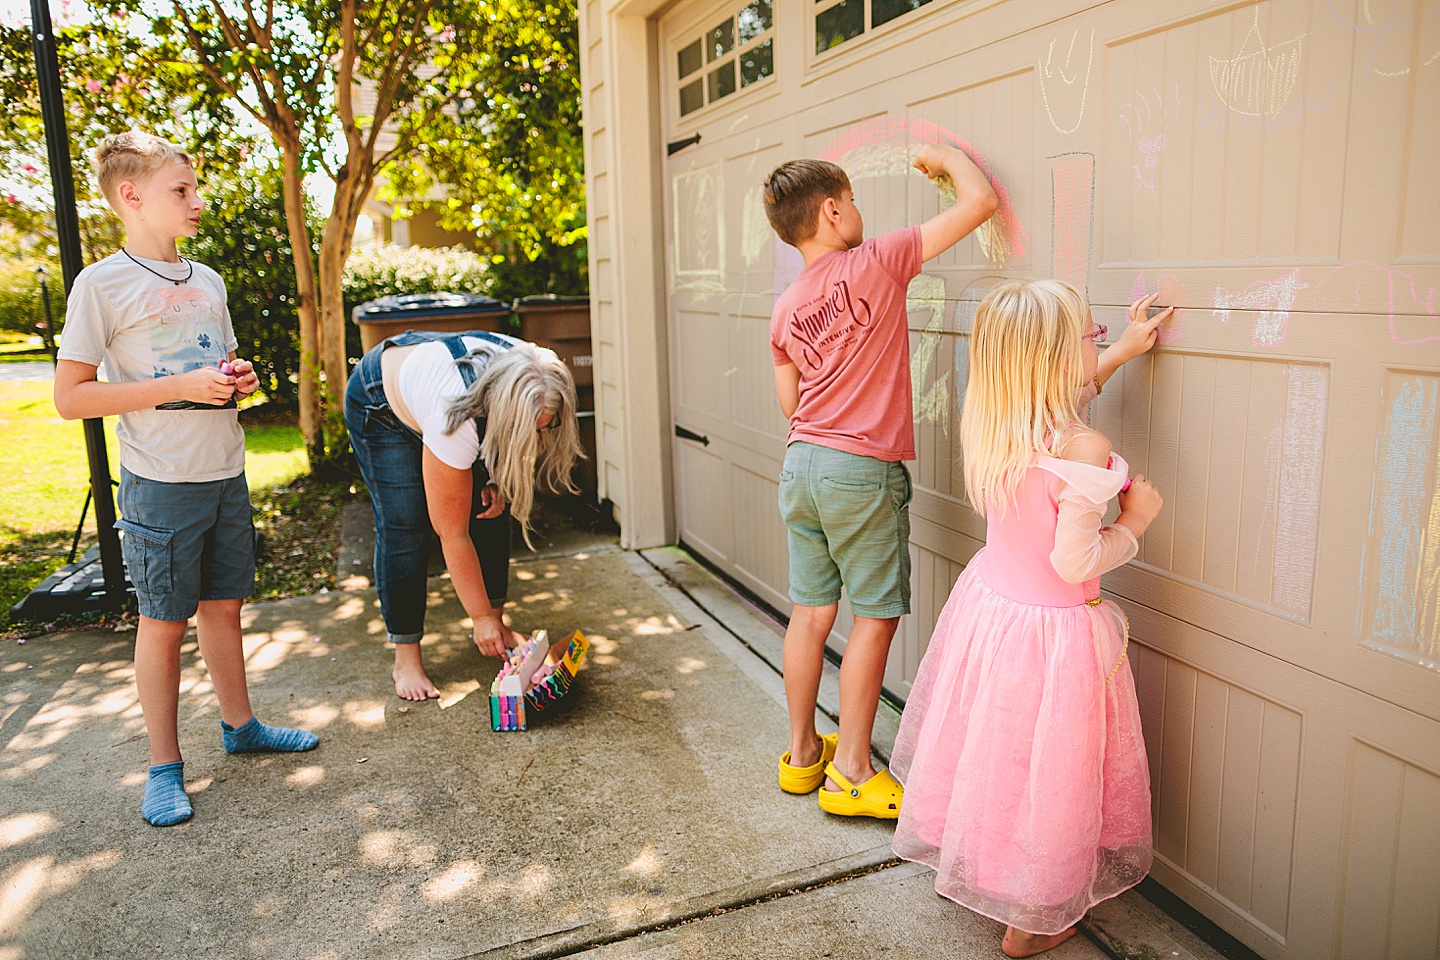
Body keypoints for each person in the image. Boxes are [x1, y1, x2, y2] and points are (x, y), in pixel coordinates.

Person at [889, 279, 1171, 958]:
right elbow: (1076, 560)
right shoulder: (1084, 446)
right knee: (1053, 778)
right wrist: (1135, 520)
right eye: (1089, 336)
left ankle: (976, 868)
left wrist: (1123, 353)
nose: (1097, 341)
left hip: (996, 615)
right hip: (1055, 635)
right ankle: (1030, 922)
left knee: (1000, 759)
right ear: (1053, 358)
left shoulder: (997, 419)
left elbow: (1064, 398)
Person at [53, 130, 320, 828]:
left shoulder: (208, 281)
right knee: (164, 624)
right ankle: (164, 767)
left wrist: (242, 379)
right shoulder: (100, 284)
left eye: (195, 188)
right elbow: (71, 397)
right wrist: (172, 386)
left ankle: (242, 728)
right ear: (130, 196)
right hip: (160, 482)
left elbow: (221, 367)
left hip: (224, 470)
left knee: (224, 607)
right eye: (183, 190)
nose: (197, 201)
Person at [764, 146, 998, 817]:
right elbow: (979, 204)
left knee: (811, 613)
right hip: (859, 471)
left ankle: (804, 755)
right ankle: (853, 771)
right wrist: (950, 160)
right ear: (833, 211)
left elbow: (791, 402)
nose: (860, 212)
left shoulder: (784, 309)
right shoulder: (877, 260)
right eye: (854, 200)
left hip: (801, 464)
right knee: (874, 616)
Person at [344, 329, 583, 701]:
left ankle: (497, 628)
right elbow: (451, 532)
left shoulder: (535, 369)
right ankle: (406, 657)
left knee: (490, 505)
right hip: (382, 404)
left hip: (448, 386)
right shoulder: (452, 417)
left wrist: (493, 476)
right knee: (406, 523)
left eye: (544, 427)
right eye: (528, 430)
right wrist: (478, 616)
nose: (537, 439)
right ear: (507, 415)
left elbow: (506, 445)